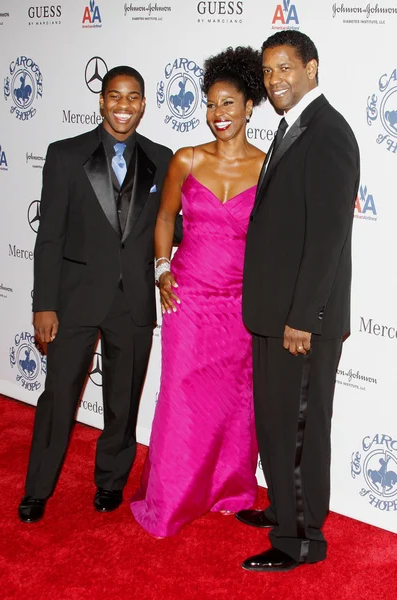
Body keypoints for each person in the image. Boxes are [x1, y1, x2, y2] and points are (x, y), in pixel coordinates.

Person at [18, 65, 181, 523]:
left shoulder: (164, 158)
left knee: (124, 400)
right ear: (101, 101)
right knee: (58, 397)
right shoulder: (66, 155)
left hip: (133, 301)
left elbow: (173, 223)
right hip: (74, 299)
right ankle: (37, 489)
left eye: (132, 97)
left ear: (144, 104)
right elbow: (48, 235)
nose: (123, 105)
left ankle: (110, 480)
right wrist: (43, 304)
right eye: (115, 96)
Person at [130, 47, 267, 537]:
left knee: (235, 401)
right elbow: (165, 218)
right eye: (211, 104)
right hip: (187, 299)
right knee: (182, 401)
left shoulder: (268, 167)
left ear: (250, 106)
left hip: (240, 305)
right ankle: (171, 496)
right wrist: (162, 268)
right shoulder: (186, 159)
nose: (218, 115)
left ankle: (228, 486)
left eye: (228, 104)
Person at [236, 31, 360, 571]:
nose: (274, 80)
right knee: (278, 423)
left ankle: (301, 540)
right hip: (274, 313)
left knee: (301, 431)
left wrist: (303, 317)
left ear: (312, 68)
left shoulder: (329, 132)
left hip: (300, 320)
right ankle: (286, 509)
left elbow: (328, 237)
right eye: (266, 71)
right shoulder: (293, 129)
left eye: (284, 67)